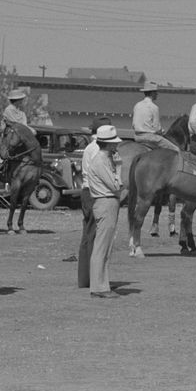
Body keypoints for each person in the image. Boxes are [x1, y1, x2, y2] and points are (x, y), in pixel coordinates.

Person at [87, 125, 124, 299]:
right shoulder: (101, 161)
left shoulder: (102, 159)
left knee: (105, 246)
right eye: (114, 144)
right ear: (108, 145)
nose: (116, 147)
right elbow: (115, 186)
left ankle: (101, 284)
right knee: (102, 246)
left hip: (106, 202)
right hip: (106, 201)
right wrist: (119, 168)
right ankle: (99, 287)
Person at [77, 117, 112, 288]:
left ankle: (84, 278)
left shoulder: (88, 148)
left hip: (86, 191)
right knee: (97, 237)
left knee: (87, 234)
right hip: (95, 192)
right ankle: (95, 279)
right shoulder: (98, 149)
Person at [132, 81, 180, 153]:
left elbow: (133, 125)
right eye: (156, 92)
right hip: (150, 138)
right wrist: (162, 132)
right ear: (152, 93)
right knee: (177, 150)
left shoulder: (137, 105)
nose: (157, 94)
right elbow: (157, 128)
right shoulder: (154, 107)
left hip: (137, 137)